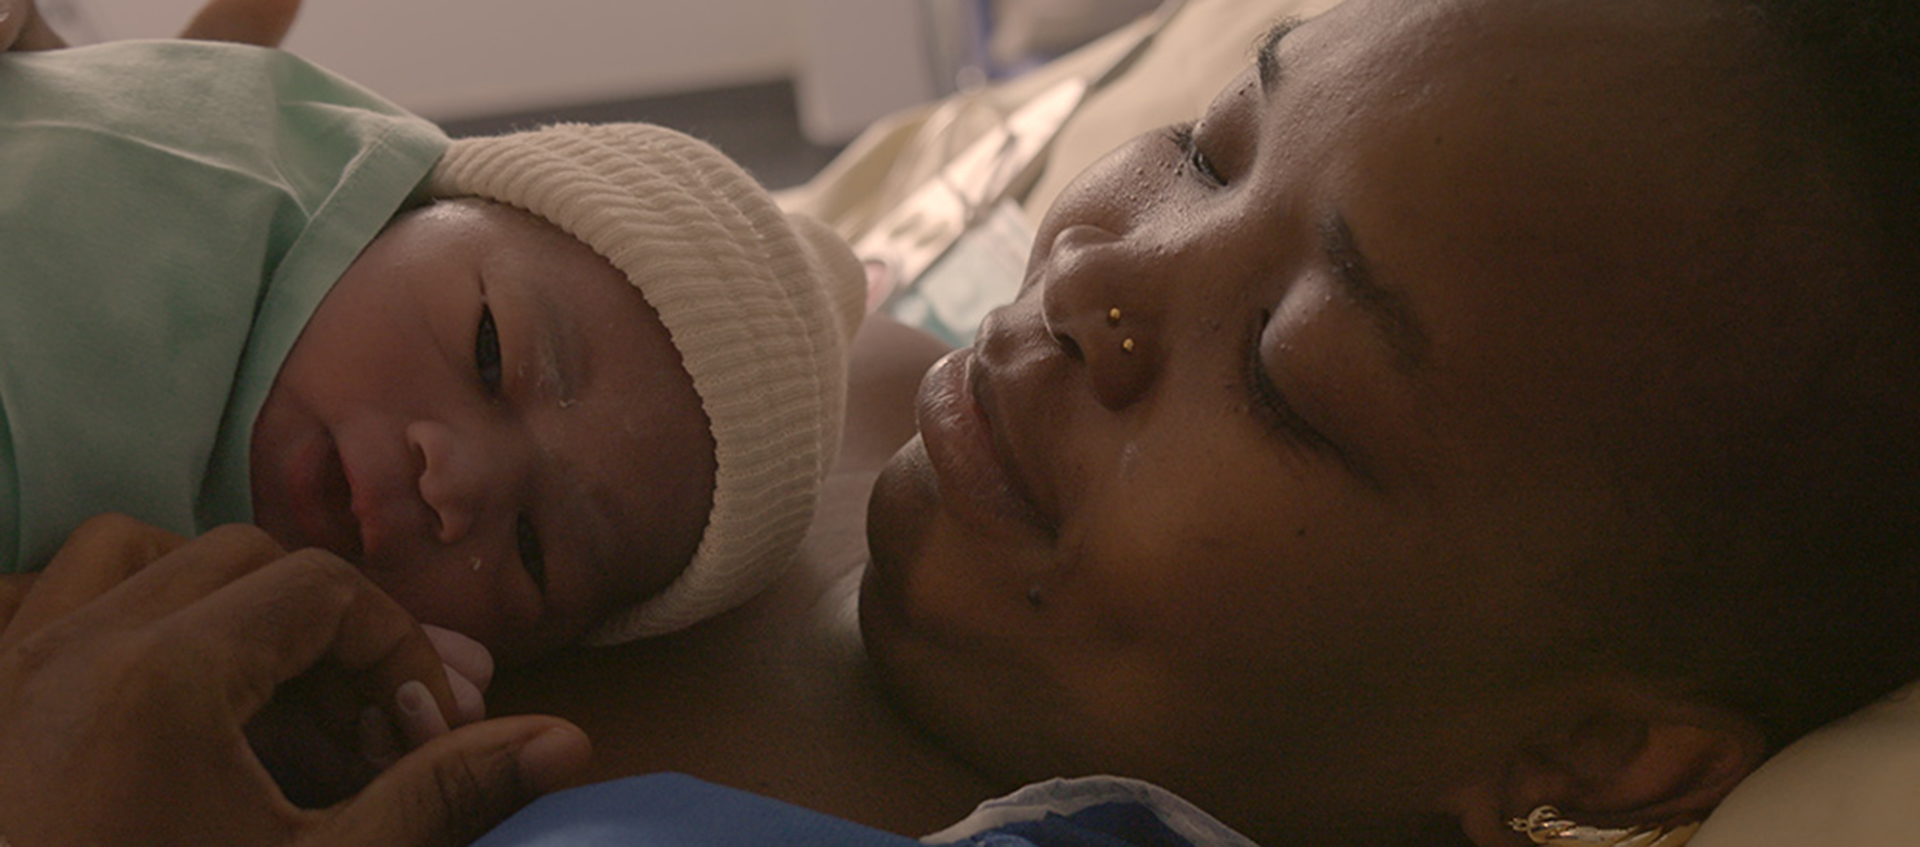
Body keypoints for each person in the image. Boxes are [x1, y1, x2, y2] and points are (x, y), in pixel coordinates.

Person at [8, 0, 1920, 845]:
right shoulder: (865, 369)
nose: (1097, 270)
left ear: (1593, 747)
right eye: (1207, 141)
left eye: (1284, 368)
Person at [0, 27, 866, 669]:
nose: (455, 481)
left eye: (533, 550)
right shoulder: (177, 184)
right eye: (490, 354)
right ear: (422, 204)